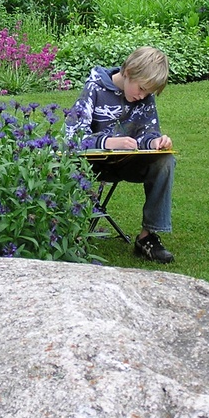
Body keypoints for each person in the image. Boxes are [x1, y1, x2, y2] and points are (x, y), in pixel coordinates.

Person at [64, 46, 176, 263]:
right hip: (90, 165)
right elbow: (72, 136)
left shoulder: (144, 96)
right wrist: (108, 142)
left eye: (148, 93)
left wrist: (156, 142)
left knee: (165, 160)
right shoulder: (94, 88)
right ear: (129, 71)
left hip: (126, 163)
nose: (142, 96)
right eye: (141, 88)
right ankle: (71, 231)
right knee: (68, 164)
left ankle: (148, 236)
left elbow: (147, 134)